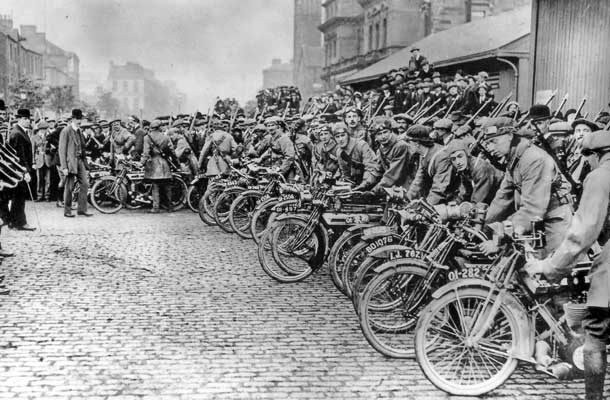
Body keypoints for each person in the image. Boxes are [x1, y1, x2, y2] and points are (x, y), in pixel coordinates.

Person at [524, 129, 610, 400]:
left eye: (589, 159)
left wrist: (551, 267)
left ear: (596, 155)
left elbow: (582, 233)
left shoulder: (601, 176)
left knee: (595, 333)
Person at [480, 117, 572, 257]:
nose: (491, 148)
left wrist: (501, 234)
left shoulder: (534, 159)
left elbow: (533, 207)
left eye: (494, 141)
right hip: (534, 221)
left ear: (510, 136)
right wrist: (484, 226)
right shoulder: (515, 158)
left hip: (553, 220)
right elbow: (502, 198)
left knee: (545, 270)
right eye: (487, 143)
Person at [406, 124, 457, 205]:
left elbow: (439, 188)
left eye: (409, 142)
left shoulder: (441, 156)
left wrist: (427, 208)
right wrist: (407, 198)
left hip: (453, 198)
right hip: (439, 196)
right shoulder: (423, 153)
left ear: (417, 143)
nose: (408, 146)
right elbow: (418, 180)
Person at [59, 109, 92, 218]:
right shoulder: (66, 131)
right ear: (72, 119)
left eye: (80, 119)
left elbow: (82, 148)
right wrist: (64, 167)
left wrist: (85, 162)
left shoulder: (79, 131)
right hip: (70, 163)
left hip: (80, 161)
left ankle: (82, 209)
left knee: (85, 184)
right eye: (78, 119)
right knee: (69, 187)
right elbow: (62, 150)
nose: (79, 121)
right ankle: (67, 210)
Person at [7, 109, 35, 230]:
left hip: (18, 169)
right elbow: (20, 156)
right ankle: (20, 223)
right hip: (19, 170)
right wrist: (25, 171)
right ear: (19, 119)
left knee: (18, 197)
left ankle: (15, 222)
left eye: (28, 119)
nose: (28, 121)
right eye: (25, 119)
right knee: (19, 197)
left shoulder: (20, 132)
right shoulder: (18, 133)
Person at [142, 120, 177, 213]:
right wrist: (177, 164)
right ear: (159, 127)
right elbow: (172, 151)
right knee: (167, 186)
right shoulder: (165, 137)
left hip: (154, 164)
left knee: (155, 186)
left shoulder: (147, 138)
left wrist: (142, 163)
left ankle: (156, 207)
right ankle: (170, 206)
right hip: (164, 163)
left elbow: (146, 153)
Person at [333, 122, 379, 189]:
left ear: (348, 135)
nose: (340, 139)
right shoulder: (339, 152)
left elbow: (370, 168)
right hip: (356, 184)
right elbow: (346, 174)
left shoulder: (361, 145)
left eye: (343, 135)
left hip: (371, 181)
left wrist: (364, 184)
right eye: (337, 137)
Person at [31, 121, 52, 202]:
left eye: (45, 129)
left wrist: (50, 150)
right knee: (39, 179)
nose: (44, 131)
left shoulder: (49, 137)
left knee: (48, 180)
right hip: (39, 160)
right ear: (39, 129)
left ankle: (47, 196)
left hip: (47, 160)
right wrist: (33, 162)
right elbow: (33, 151)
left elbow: (52, 148)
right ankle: (39, 196)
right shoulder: (34, 138)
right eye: (42, 129)